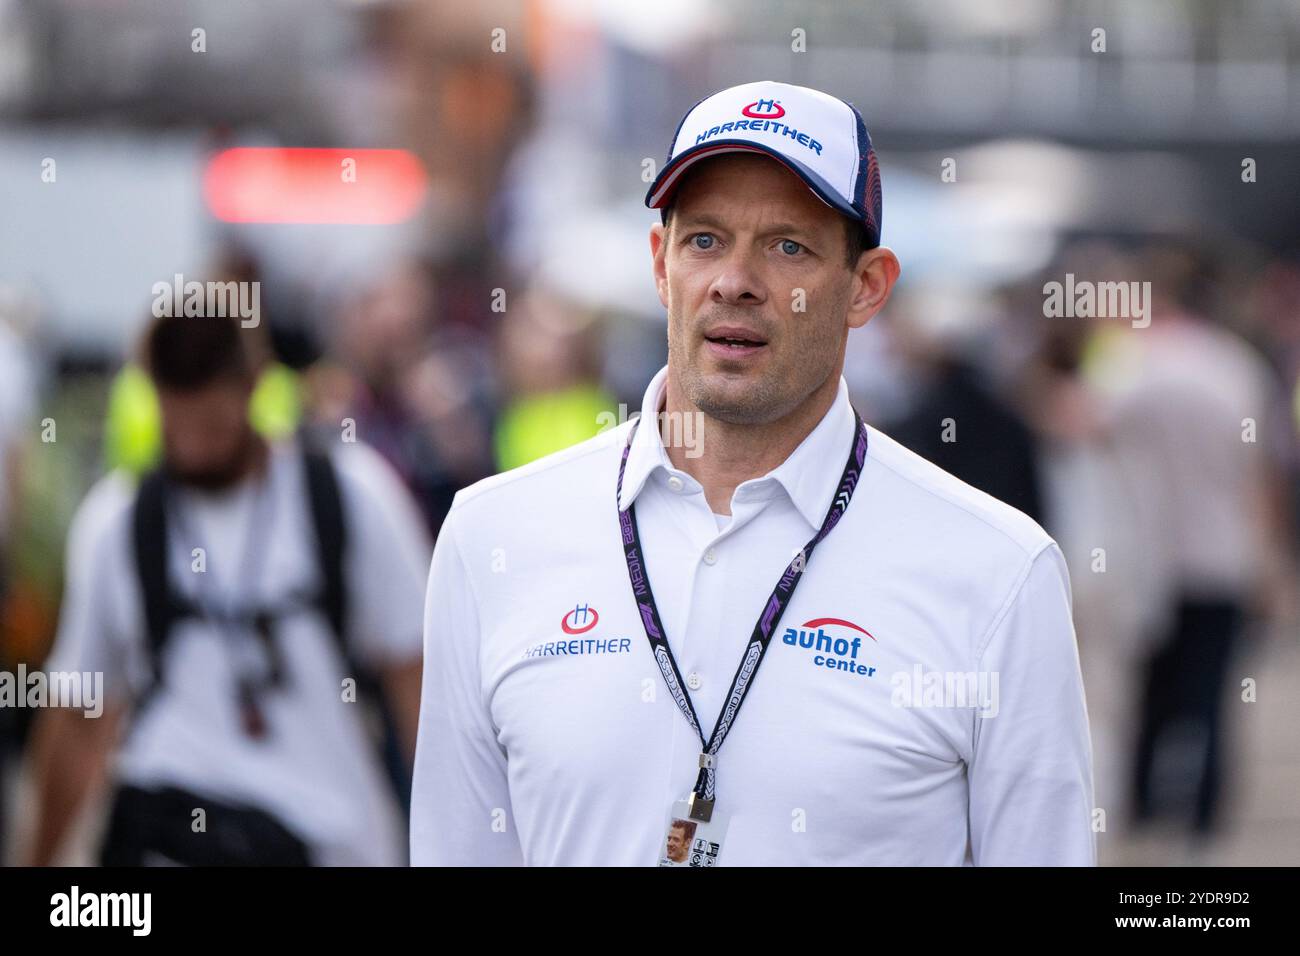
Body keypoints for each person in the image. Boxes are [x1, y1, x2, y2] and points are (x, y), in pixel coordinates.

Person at [412, 80, 1095, 866]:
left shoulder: (1000, 571)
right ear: (661, 264)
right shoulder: (492, 536)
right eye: (704, 239)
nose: (735, 279)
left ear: (866, 287)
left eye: (788, 246)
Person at [25, 313, 430, 866]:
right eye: (175, 422)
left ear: (255, 387)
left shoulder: (350, 494)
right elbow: (77, 718)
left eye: (211, 425)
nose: (191, 447)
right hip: (166, 835)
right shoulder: (117, 524)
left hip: (330, 838)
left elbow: (421, 682)